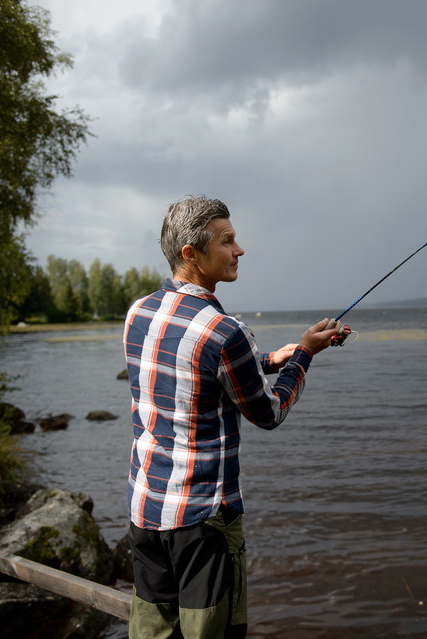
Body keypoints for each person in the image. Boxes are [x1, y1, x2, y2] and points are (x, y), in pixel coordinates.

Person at [123, 196, 342, 638]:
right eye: (227, 241)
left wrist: (268, 359)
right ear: (191, 254)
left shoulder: (139, 312)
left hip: (145, 511)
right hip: (203, 523)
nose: (239, 249)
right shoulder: (225, 332)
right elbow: (269, 412)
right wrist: (304, 356)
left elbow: (191, 365)